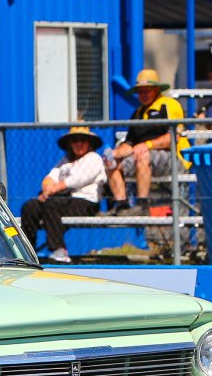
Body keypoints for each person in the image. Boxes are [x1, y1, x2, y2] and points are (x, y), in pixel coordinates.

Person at [105, 69, 187, 214]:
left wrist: (147, 146)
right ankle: (121, 204)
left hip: (173, 158)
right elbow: (130, 144)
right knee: (111, 162)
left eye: (146, 91)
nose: (142, 95)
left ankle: (142, 205)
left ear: (156, 89)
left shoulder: (169, 105)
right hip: (142, 158)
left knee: (142, 155)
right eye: (140, 91)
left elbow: (173, 138)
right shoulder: (137, 114)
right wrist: (115, 153)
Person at [20, 126, 106, 264]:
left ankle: (59, 250)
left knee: (51, 203)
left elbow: (76, 180)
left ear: (89, 142)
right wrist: (47, 189)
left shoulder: (94, 158)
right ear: (69, 143)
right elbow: (50, 177)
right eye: (75, 140)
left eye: (83, 140)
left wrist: (50, 191)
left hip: (86, 202)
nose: (79, 143)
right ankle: (27, 251)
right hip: (60, 200)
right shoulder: (65, 161)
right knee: (29, 207)